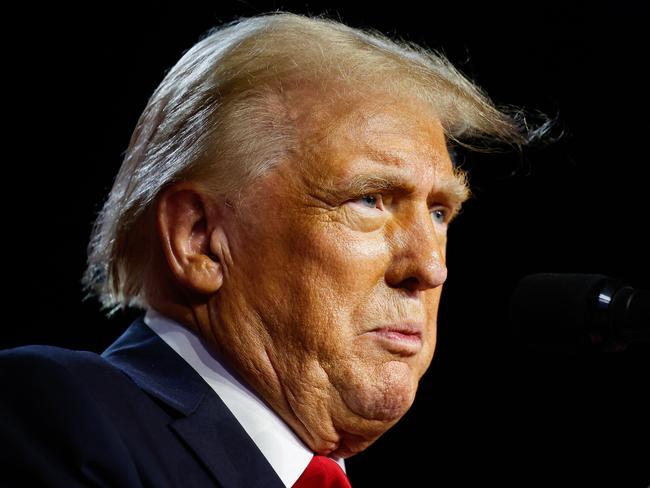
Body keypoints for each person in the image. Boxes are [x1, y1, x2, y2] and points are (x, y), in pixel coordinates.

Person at [0, 12, 529, 487]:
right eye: (370, 200)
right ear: (200, 238)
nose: (429, 267)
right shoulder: (59, 415)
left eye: (439, 213)